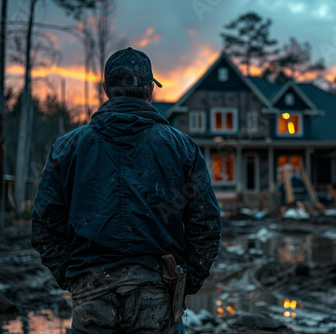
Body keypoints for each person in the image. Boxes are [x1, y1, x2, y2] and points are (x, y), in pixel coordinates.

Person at [31, 47, 221, 334]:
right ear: (149, 90)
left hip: (91, 293)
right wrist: (185, 282)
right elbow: (206, 225)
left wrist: (74, 279)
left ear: (106, 89)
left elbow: (45, 226)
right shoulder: (182, 148)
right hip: (158, 293)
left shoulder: (68, 147)